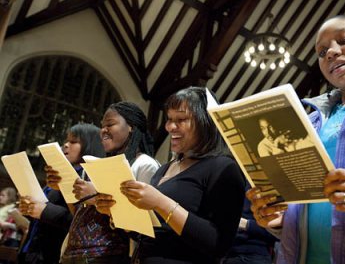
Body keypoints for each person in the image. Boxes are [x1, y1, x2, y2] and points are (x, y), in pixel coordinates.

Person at [247, 15, 345, 264]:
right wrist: (280, 221)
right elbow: (305, 206)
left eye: (344, 40)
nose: (331, 52)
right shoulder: (307, 122)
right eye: (321, 51)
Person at [96, 87, 246, 264]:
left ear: (205, 122)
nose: (170, 127)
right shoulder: (165, 168)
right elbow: (148, 235)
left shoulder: (223, 167)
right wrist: (117, 213)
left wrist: (161, 203)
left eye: (181, 119)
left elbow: (218, 244)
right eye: (169, 119)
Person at [50, 102, 159, 264]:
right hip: (73, 254)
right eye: (102, 126)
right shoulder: (96, 165)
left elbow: (144, 223)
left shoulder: (145, 164)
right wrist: (66, 188)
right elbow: (78, 214)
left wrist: (95, 196)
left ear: (131, 127)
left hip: (112, 256)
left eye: (110, 124)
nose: (104, 130)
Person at [18, 123, 105, 264]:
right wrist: (29, 207)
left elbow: (82, 222)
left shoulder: (89, 180)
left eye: (73, 141)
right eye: (66, 140)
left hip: (55, 254)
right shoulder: (58, 176)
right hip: (33, 251)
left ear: (91, 145)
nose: (65, 145)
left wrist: (45, 210)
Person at [221, 182, 277, 264]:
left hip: (254, 254)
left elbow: (275, 233)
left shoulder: (265, 187)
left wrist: (245, 224)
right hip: (227, 254)